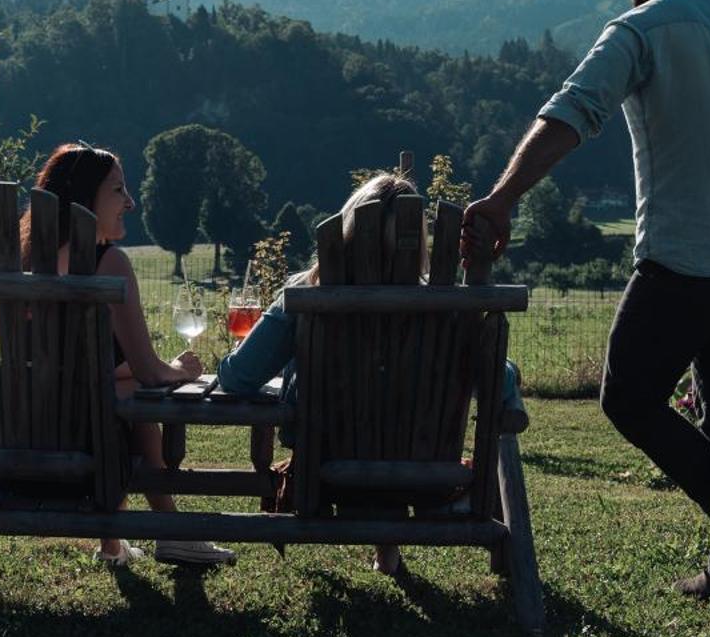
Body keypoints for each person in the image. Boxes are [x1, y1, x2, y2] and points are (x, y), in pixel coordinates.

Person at [462, 0, 710, 607]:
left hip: (682, 256)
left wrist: (503, 196)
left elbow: (572, 113)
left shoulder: (640, 29)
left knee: (627, 397)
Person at [216, 172, 522, 580]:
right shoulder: (445, 310)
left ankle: (387, 553)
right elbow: (499, 387)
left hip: (327, 476)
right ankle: (390, 554)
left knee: (368, 409)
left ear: (346, 234)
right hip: (426, 479)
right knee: (391, 410)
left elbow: (238, 379)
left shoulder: (304, 296)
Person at [26, 143, 235, 568]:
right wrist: (178, 368)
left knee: (122, 386)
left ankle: (116, 543)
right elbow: (150, 371)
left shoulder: (29, 262)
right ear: (86, 199)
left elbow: (73, 365)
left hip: (23, 439)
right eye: (118, 190)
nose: (130, 202)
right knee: (135, 392)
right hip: (85, 450)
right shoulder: (109, 263)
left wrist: (135, 373)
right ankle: (171, 530)